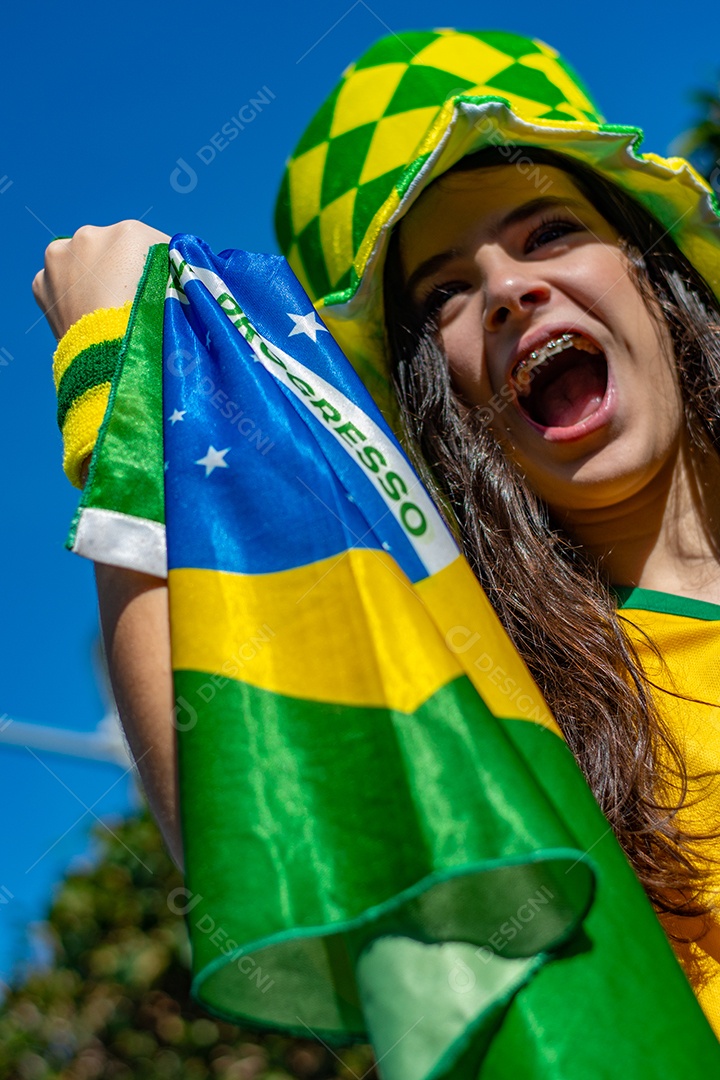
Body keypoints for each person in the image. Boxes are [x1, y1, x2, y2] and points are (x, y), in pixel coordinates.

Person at [33, 27, 720, 1056]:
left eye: (546, 234)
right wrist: (123, 402)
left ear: (651, 272)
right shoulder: (492, 697)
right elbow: (259, 827)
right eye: (445, 291)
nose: (510, 290)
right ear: (431, 406)